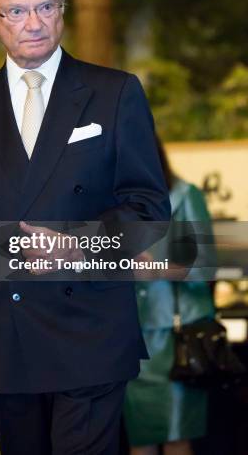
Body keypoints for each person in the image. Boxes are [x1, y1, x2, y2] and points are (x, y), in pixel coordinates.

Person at [0, 0, 171, 455]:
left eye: (46, 7)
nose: (33, 23)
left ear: (63, 10)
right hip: (6, 336)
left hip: (92, 330)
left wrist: (79, 247)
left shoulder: (114, 93)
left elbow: (150, 210)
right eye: (16, 11)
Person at [123, 138, 216, 455]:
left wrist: (158, 268)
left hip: (176, 337)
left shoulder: (184, 195)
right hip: (129, 336)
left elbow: (205, 266)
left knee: (176, 436)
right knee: (140, 437)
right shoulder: (114, 205)